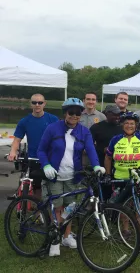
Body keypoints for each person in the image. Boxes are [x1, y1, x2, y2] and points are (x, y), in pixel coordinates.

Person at [37, 98, 105, 257]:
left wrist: (96, 165)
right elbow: (41, 150)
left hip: (72, 175)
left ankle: (66, 236)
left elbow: (91, 150)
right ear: (65, 113)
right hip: (54, 175)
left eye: (78, 113)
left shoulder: (84, 131)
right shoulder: (53, 128)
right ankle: (55, 239)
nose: (74, 116)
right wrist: (46, 165)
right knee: (58, 207)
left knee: (71, 208)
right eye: (71, 112)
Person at [104, 112, 140, 247]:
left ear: (136, 125)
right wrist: (108, 174)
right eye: (126, 123)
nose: (129, 126)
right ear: (122, 125)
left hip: (138, 178)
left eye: (132, 123)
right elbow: (108, 157)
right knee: (124, 206)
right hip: (120, 178)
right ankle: (125, 231)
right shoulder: (115, 139)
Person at [8, 94, 59, 200]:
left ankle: (51, 208)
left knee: (52, 186)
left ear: (44, 103)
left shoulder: (53, 119)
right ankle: (38, 208)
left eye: (40, 102)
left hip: (50, 158)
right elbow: (17, 139)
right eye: (34, 102)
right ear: (30, 104)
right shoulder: (24, 121)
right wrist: (13, 151)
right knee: (36, 186)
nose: (37, 105)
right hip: (33, 158)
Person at [90, 105, 123, 200]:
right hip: (101, 164)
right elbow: (89, 146)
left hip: (119, 165)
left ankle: (114, 212)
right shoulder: (96, 127)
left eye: (119, 115)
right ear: (107, 114)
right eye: (114, 115)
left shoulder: (122, 128)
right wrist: (101, 149)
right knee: (102, 193)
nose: (117, 117)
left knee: (117, 193)